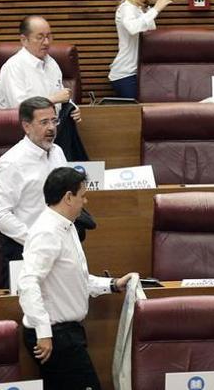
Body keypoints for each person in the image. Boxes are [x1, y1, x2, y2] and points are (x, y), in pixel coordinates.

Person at [18, 166, 135, 390]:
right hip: (55, 336)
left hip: (66, 334)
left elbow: (75, 278)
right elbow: (27, 282)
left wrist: (111, 285)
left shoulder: (67, 227)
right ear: (68, 197)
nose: (86, 201)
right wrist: (44, 333)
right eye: (82, 195)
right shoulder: (47, 232)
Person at [0, 96, 67, 286]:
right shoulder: (12, 163)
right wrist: (35, 240)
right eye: (44, 122)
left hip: (59, 246)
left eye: (54, 121)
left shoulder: (58, 152)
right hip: (24, 250)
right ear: (26, 126)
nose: (51, 127)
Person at [109, 0, 174, 98]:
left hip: (144, 72)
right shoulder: (126, 8)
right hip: (126, 75)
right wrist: (156, 9)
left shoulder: (144, 9)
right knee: (136, 116)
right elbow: (134, 28)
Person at [0, 16, 80, 123]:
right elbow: (20, 109)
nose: (46, 42)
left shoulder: (52, 63)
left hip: (53, 128)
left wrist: (72, 107)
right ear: (24, 40)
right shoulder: (14, 67)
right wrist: (51, 100)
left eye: (48, 36)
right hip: (24, 132)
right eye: (40, 37)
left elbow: (60, 96)